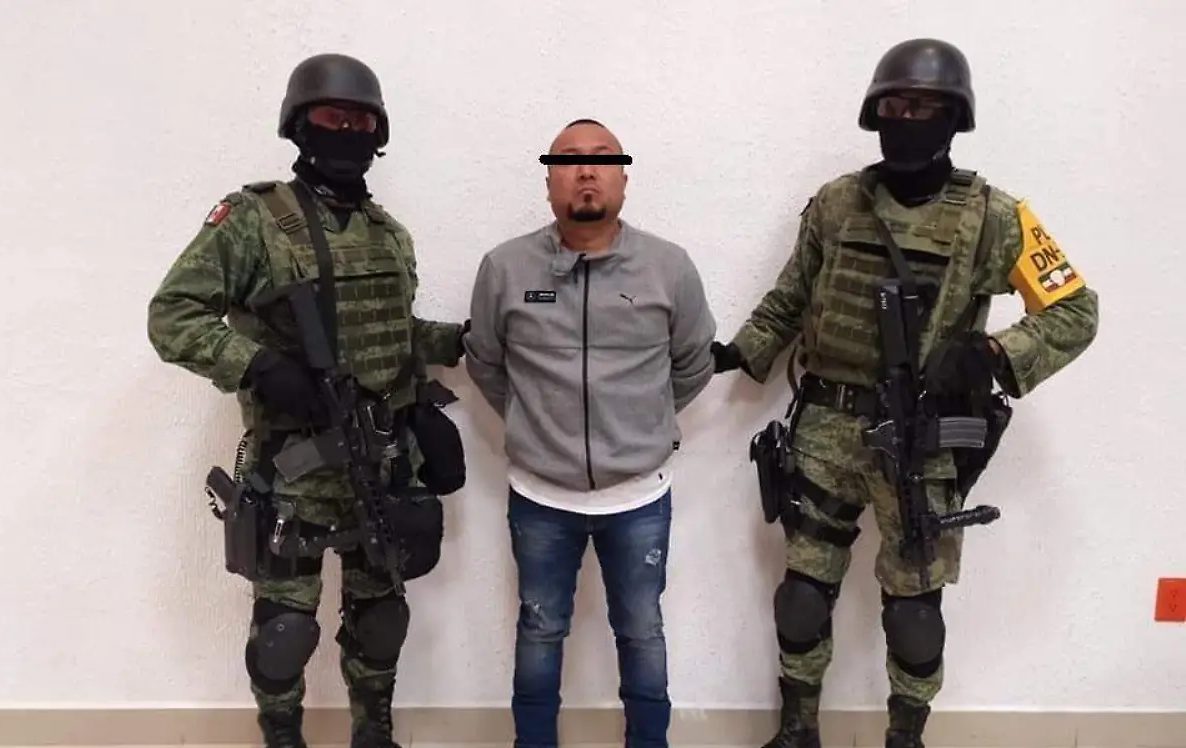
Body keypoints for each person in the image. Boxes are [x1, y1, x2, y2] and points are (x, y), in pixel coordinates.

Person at [711, 38, 1099, 748]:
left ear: (954, 118)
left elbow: (1076, 311)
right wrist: (740, 352)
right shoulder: (838, 202)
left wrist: (991, 353)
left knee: (914, 613)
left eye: (925, 107)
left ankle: (905, 738)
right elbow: (791, 296)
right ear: (874, 112)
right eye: (895, 105)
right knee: (801, 599)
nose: (908, 118)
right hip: (825, 430)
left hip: (920, 441)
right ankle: (796, 732)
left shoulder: (995, 216)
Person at [146, 53, 468, 748]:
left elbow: (397, 337)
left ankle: (373, 733)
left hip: (381, 467)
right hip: (296, 474)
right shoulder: (254, 220)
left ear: (379, 134)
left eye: (361, 121)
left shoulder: (389, 234)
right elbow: (172, 315)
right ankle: (282, 736)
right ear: (299, 126)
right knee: (284, 633)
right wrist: (258, 364)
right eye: (331, 117)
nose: (347, 130)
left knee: (382, 622)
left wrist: (461, 340)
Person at [461, 118, 716, 748]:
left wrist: (643, 422)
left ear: (623, 177)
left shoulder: (668, 267)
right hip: (541, 496)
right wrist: (534, 425)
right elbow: (486, 362)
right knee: (539, 630)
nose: (586, 171)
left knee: (641, 631)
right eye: (568, 160)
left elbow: (693, 363)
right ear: (549, 179)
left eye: (603, 158)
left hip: (639, 497)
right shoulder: (505, 268)